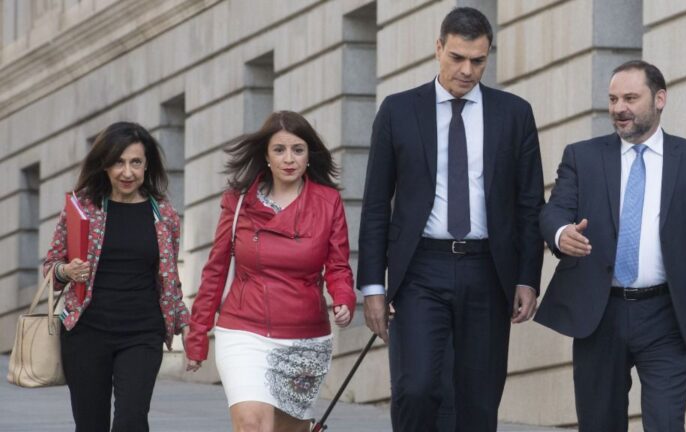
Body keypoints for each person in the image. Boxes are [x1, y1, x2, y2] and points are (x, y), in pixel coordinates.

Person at [357, 7, 545, 432]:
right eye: (457, 57)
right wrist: (372, 285)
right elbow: (374, 204)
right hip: (421, 268)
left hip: (488, 269)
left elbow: (530, 203)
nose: (467, 70)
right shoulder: (399, 111)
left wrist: (527, 278)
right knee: (417, 386)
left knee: (479, 399)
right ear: (438, 48)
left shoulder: (514, 114)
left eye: (478, 60)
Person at [535, 60, 686, 431]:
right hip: (600, 314)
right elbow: (553, 211)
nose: (618, 108)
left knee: (665, 423)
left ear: (659, 99)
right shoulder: (584, 156)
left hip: (667, 315)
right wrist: (563, 233)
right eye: (613, 99)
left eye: (630, 97)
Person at [184, 111, 356, 432]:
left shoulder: (328, 201)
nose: (289, 159)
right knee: (252, 424)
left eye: (298, 150)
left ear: (309, 156)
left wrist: (343, 296)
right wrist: (197, 337)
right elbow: (215, 271)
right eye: (279, 150)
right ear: (265, 155)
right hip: (244, 330)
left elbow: (337, 264)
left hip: (304, 336)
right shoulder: (237, 203)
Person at [42, 121, 190, 432]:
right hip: (86, 331)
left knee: (132, 421)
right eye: (118, 162)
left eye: (135, 162)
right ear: (105, 165)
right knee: (91, 425)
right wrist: (65, 271)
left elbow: (169, 277)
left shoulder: (163, 214)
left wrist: (185, 325)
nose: (127, 172)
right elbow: (51, 267)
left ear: (146, 165)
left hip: (142, 332)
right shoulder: (82, 207)